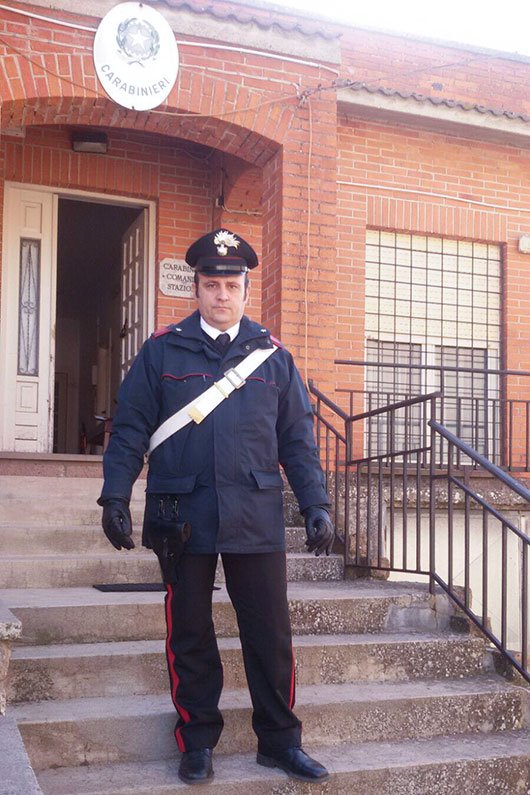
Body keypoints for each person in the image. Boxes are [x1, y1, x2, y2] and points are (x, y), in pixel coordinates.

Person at [98, 228, 335, 786]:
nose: (221, 295)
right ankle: (197, 740)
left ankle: (279, 742)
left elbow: (297, 441)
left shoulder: (274, 358)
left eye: (231, 285)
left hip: (255, 512)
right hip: (180, 513)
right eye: (211, 284)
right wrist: (115, 494)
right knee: (190, 632)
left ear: (246, 290)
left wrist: (316, 503)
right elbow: (130, 428)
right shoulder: (162, 351)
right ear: (197, 288)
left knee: (270, 634)